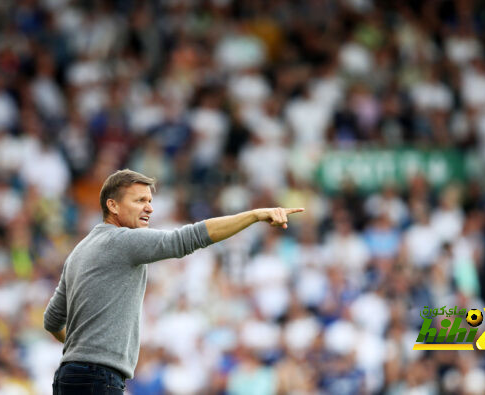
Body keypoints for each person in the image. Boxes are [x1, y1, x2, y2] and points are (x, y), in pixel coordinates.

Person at [44, 169, 304, 394]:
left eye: (150, 200)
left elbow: (52, 320)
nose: (150, 207)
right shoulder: (122, 240)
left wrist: (80, 352)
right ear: (112, 206)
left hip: (69, 376)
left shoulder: (79, 251)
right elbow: (186, 239)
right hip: (98, 378)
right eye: (139, 200)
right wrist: (255, 215)